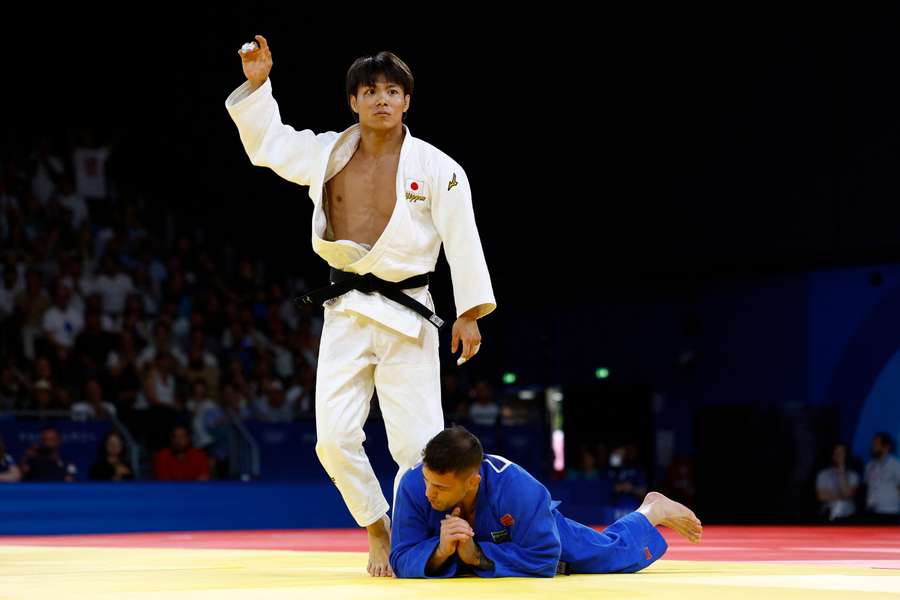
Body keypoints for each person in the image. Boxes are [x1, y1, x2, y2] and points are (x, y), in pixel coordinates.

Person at [227, 38, 496, 577]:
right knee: (333, 440)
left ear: (406, 102)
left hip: (409, 313)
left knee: (419, 447)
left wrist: (468, 312)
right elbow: (270, 145)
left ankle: (425, 538)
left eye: (392, 92)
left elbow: (462, 237)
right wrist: (259, 86)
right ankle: (378, 525)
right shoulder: (328, 153)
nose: (381, 100)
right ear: (353, 101)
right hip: (346, 310)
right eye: (370, 91)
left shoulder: (438, 168)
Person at [390, 427, 701, 578]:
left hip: (537, 528)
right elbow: (401, 555)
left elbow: (543, 556)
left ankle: (651, 509)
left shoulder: (519, 488)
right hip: (491, 548)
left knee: (609, 557)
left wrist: (477, 557)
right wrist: (441, 551)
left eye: (442, 487)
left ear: (473, 481)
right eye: (429, 481)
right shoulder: (413, 485)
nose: (430, 493)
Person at [815, 443, 859, 522]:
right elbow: (821, 496)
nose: (838, 455)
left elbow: (848, 494)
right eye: (836, 452)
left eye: (841, 452)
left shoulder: (853, 475)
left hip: (848, 515)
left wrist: (841, 470)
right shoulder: (823, 474)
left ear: (846, 455)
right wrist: (841, 495)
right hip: (828, 513)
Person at [864, 432, 900, 523]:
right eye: (873, 444)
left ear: (886, 447)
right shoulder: (870, 465)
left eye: (876, 444)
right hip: (872, 510)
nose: (873, 447)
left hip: (890, 510)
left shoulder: (895, 465)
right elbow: (868, 486)